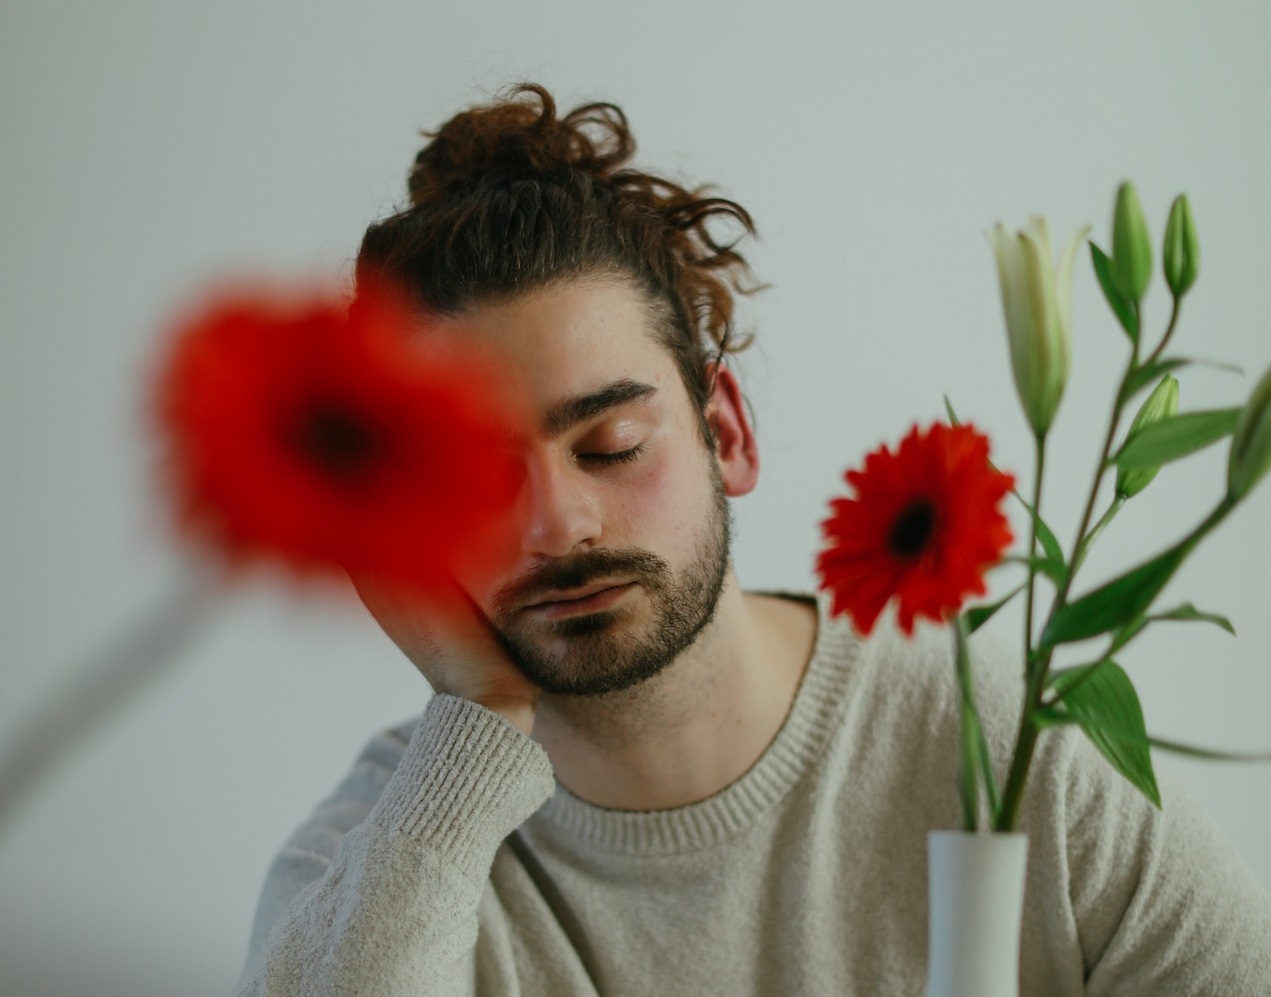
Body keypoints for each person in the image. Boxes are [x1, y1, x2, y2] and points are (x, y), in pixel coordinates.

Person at [235, 83, 1271, 995]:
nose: (555, 524)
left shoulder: (998, 750)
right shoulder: (376, 863)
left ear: (724, 433)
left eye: (610, 445)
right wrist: (474, 706)